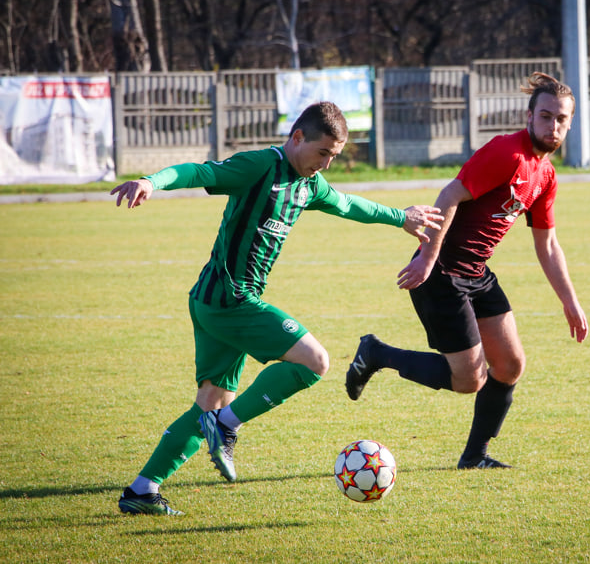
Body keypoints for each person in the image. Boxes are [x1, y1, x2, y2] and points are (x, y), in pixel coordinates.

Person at [112, 101, 443, 516]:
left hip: (213, 301)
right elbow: (200, 172)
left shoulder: (309, 185)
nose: (325, 165)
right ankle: (228, 426)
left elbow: (348, 205)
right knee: (315, 362)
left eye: (334, 158)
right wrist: (151, 181)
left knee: (210, 401)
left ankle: (142, 489)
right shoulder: (260, 166)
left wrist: (401, 217)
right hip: (231, 299)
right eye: (322, 153)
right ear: (298, 137)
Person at [345, 73, 589, 469]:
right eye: (546, 116)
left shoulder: (545, 174)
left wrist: (570, 302)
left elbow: (547, 243)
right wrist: (426, 256)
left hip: (476, 271)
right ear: (529, 115)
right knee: (469, 380)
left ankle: (475, 457)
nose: (553, 126)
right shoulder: (507, 153)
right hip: (441, 270)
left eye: (562, 119)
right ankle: (376, 353)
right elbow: (450, 195)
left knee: (510, 365)